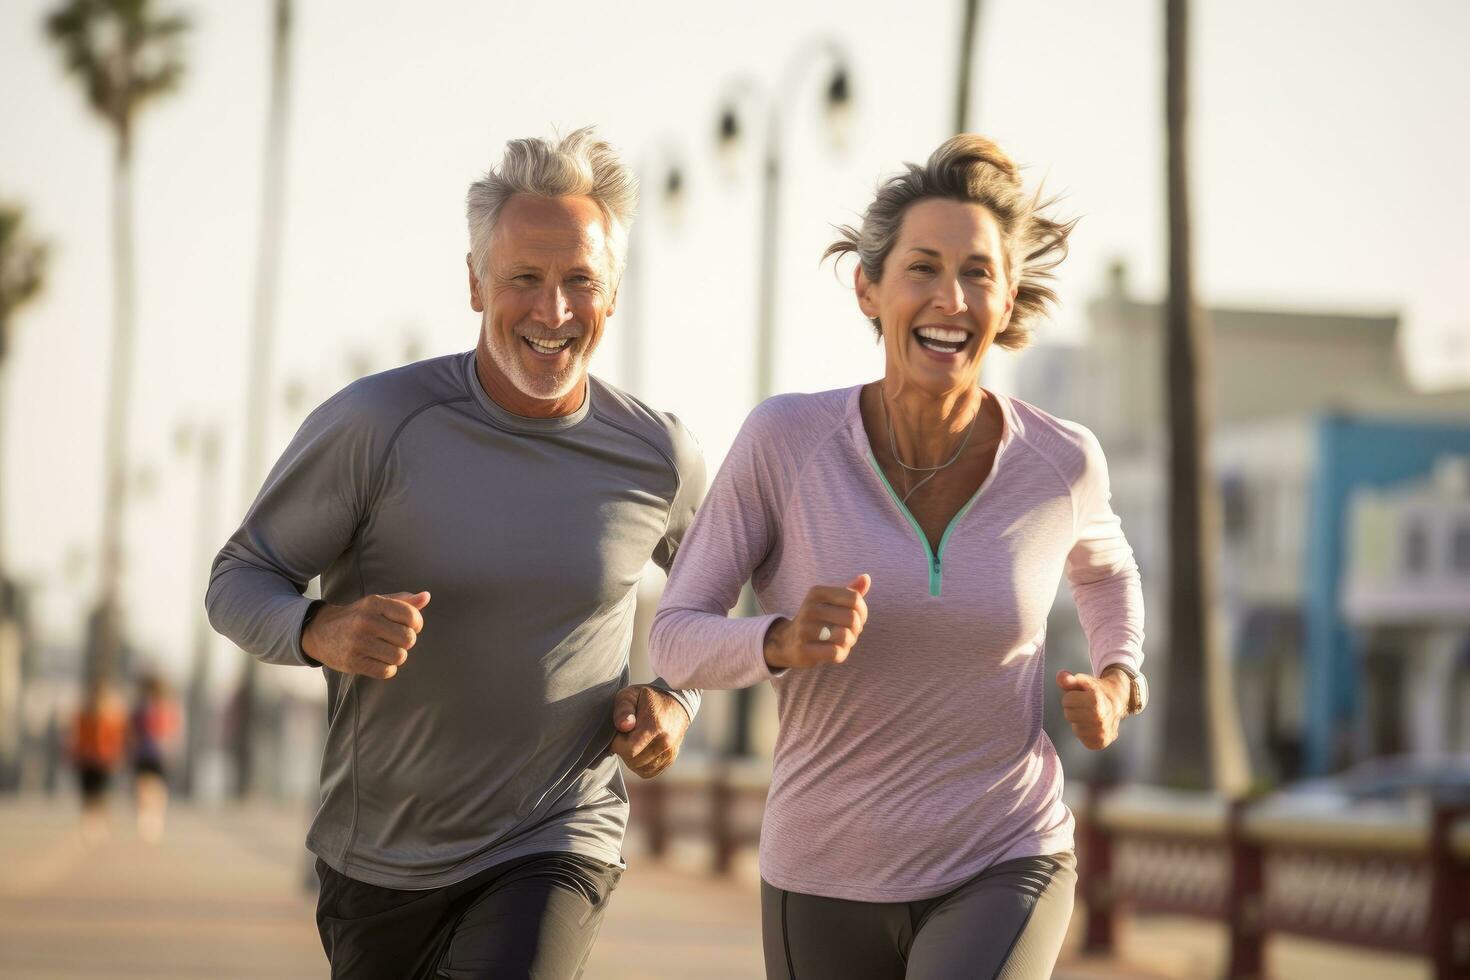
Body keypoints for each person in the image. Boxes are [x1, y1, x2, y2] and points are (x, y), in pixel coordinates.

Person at [206, 128, 705, 980]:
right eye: (524, 280)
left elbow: (718, 594)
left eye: (580, 281)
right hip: (378, 858)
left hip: (556, 835)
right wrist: (319, 629)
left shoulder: (657, 456)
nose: (553, 312)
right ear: (475, 283)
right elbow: (238, 579)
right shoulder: (379, 425)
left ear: (612, 293)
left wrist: (675, 697)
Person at [649, 134, 1148, 980]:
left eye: (978, 272)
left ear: (1009, 294)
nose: (950, 298)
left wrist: (1118, 675)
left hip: (1005, 850)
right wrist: (778, 641)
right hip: (824, 869)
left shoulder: (1061, 463)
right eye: (922, 268)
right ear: (870, 289)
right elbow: (674, 637)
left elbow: (1106, 568)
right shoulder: (786, 442)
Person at [69, 676, 127, 843]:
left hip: (103, 758)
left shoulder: (112, 715)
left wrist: (116, 753)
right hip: (87, 758)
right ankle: (89, 824)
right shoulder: (83, 713)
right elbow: (76, 736)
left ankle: (98, 823)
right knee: (88, 792)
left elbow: (116, 737)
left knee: (100, 792)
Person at [128, 672, 180, 842]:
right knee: (146, 786)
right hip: (146, 751)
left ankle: (153, 816)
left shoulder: (164, 707)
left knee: (154, 786)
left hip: (157, 752)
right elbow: (132, 730)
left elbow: (172, 730)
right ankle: (148, 815)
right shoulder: (143, 707)